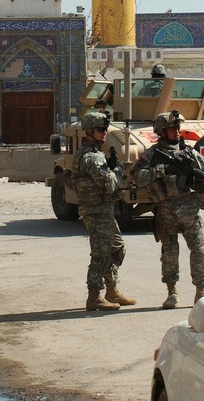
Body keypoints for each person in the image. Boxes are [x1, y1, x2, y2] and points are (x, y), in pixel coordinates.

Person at [135, 110, 204, 309]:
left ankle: (201, 291)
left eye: (178, 128)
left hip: (190, 208)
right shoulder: (152, 155)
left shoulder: (189, 152)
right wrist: (161, 170)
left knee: (199, 249)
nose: (176, 132)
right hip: (166, 209)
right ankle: (172, 293)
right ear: (161, 132)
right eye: (172, 128)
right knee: (169, 251)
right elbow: (137, 177)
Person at [70, 111, 135, 311]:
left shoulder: (96, 153)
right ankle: (94, 295)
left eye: (105, 129)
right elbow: (108, 185)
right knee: (101, 254)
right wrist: (117, 171)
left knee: (116, 248)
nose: (104, 133)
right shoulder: (91, 157)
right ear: (89, 131)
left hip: (103, 210)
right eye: (100, 130)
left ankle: (112, 289)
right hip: (96, 211)